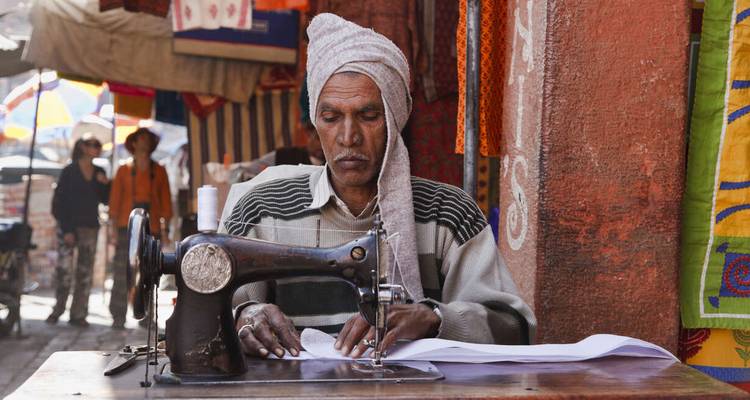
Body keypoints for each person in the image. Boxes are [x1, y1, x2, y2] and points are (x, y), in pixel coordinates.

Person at [220, 13, 536, 360]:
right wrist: (244, 315)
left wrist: (434, 318)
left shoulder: (448, 214)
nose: (348, 137)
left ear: (394, 118)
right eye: (331, 118)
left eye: (368, 116)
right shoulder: (262, 210)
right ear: (315, 121)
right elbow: (213, 315)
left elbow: (516, 328)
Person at [108, 127, 172, 329]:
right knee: (120, 272)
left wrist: (166, 229)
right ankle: (117, 316)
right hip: (124, 228)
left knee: (149, 273)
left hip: (151, 228)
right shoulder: (123, 170)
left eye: (149, 139)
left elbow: (166, 202)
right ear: (134, 143)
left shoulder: (159, 170)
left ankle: (146, 316)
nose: (146, 142)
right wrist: (112, 231)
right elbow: (114, 202)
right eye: (142, 138)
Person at [47, 136, 109, 327]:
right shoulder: (69, 171)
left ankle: (79, 313)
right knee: (64, 271)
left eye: (99, 145)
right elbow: (59, 203)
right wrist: (66, 229)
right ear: (83, 147)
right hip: (69, 226)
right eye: (93, 144)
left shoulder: (100, 171)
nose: (97, 148)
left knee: (85, 273)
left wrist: (105, 184)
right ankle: (58, 309)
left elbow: (106, 200)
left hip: (90, 227)